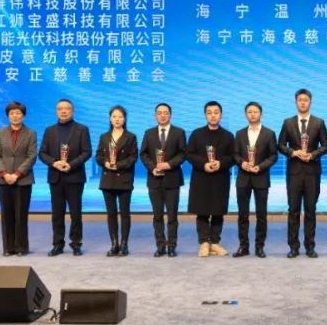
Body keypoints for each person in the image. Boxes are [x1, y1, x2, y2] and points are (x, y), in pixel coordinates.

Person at [277, 88, 327, 258]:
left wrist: (312, 154)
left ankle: (310, 247)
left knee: (310, 210)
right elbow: (280, 145)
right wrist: (293, 152)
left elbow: (326, 145)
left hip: (312, 172)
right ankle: (293, 247)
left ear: (310, 102)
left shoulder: (319, 122)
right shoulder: (288, 122)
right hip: (294, 173)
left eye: (305, 100)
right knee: (293, 210)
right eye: (300, 100)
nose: (303, 103)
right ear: (296, 102)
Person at [39, 98, 91, 256]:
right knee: (57, 213)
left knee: (76, 213)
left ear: (72, 111)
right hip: (55, 177)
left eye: (67, 108)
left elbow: (87, 152)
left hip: (75, 176)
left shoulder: (82, 129)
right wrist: (54, 163)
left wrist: (71, 164)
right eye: (60, 108)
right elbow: (42, 153)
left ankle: (76, 243)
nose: (63, 111)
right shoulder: (49, 130)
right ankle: (58, 244)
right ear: (56, 111)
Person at [186, 101, 235, 257]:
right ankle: (204, 243)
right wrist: (204, 164)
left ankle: (214, 242)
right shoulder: (196, 134)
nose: (213, 115)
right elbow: (189, 154)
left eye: (216, 112)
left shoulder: (228, 136)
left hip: (220, 178)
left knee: (218, 211)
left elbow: (233, 156)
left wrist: (221, 163)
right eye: (209, 112)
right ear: (205, 115)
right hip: (201, 177)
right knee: (202, 211)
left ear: (221, 115)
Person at [139, 103, 187, 257]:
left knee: (172, 216)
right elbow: (143, 154)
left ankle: (172, 246)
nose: (162, 115)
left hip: (172, 179)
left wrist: (169, 164)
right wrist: (152, 168)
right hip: (154, 179)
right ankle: (160, 246)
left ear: (170, 115)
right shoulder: (149, 133)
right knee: (157, 215)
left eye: (165, 113)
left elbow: (183, 154)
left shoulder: (179, 132)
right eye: (159, 113)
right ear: (155, 115)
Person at [233, 101, 278, 258]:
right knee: (242, 215)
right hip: (243, 178)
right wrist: (242, 163)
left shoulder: (269, 133)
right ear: (246, 114)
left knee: (261, 215)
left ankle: (259, 247)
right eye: (249, 112)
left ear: (261, 114)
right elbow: (235, 154)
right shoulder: (239, 134)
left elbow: (273, 156)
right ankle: (243, 246)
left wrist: (260, 166)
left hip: (261, 178)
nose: (252, 114)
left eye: (255, 112)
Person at [0, 101, 37, 256]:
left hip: (23, 179)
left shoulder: (30, 133)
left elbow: (32, 156)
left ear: (23, 116)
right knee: (6, 214)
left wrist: (17, 174)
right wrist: (4, 174)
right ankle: (8, 247)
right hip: (3, 179)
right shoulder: (0, 132)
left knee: (20, 214)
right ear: (8, 115)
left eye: (18, 113)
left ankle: (21, 247)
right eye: (12, 113)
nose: (15, 116)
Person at [95, 105, 139, 257]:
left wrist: (118, 165)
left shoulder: (131, 137)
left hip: (124, 178)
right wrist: (106, 163)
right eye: (114, 116)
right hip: (108, 179)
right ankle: (114, 244)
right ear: (110, 119)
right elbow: (98, 156)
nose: (117, 119)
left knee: (125, 213)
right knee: (111, 213)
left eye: (120, 116)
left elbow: (133, 157)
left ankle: (124, 244)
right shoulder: (104, 137)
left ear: (124, 119)